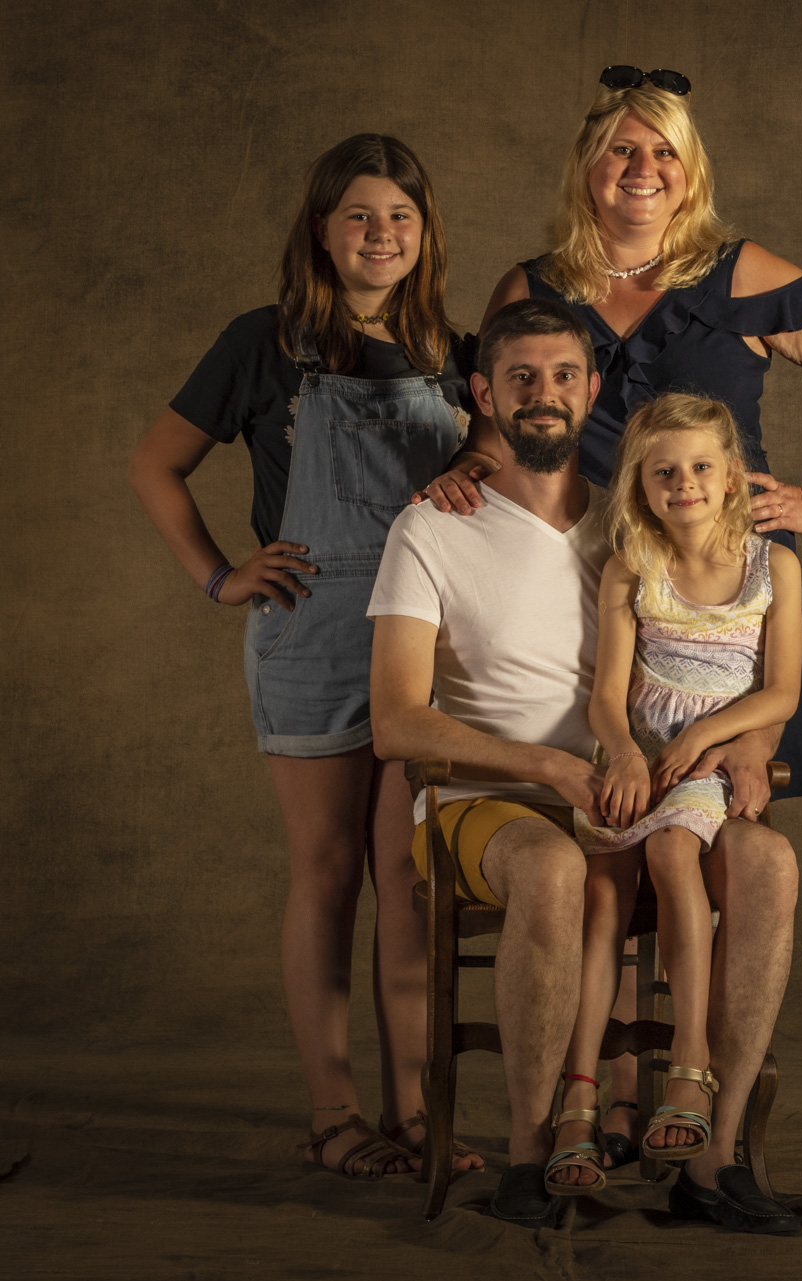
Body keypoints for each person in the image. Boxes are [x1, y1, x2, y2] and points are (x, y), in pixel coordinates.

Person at [415, 63, 802, 1167]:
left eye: (664, 153)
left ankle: (703, 1129)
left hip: (725, 614)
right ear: (585, 166)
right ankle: (606, 1106)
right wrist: (462, 470)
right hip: (600, 592)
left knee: (718, 844)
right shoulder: (535, 283)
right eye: (621, 151)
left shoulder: (740, 273)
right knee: (616, 853)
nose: (642, 170)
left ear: (691, 171)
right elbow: (500, 412)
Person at [370, 299, 801, 1233]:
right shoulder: (433, 527)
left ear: (592, 389)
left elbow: (730, 652)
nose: (545, 392)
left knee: (768, 862)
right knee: (552, 867)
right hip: (488, 800)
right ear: (484, 395)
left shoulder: (638, 516)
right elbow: (395, 721)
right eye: (520, 376)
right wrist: (550, 767)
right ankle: (534, 1150)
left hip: (639, 791)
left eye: (565, 374)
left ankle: (713, 1157)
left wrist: (750, 743)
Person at [128, 134, 482, 1179]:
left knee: (405, 875)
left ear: (425, 233)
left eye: (400, 216)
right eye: (359, 215)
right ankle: (335, 1116)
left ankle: (415, 1114)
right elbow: (154, 465)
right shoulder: (265, 342)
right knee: (327, 870)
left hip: (422, 635)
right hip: (311, 628)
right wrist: (218, 575)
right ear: (321, 230)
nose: (381, 234)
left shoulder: (453, 352)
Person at [553, 392, 801, 1190]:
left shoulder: (774, 566)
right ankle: (579, 1098)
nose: (683, 483)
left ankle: (689, 1061)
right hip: (638, 758)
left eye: (700, 467)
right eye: (663, 471)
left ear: (731, 477)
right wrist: (626, 752)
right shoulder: (632, 566)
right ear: (640, 483)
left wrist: (706, 740)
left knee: (669, 848)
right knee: (601, 897)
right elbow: (606, 696)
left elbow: (782, 691)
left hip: (703, 765)